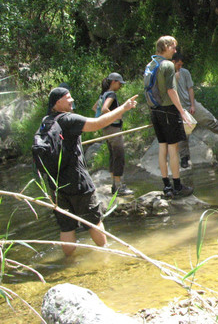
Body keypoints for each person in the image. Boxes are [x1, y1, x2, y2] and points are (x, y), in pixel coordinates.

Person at [44, 87, 138, 255]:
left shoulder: (46, 122)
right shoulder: (68, 119)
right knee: (94, 221)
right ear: (58, 102)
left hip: (55, 184)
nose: (72, 100)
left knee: (66, 227)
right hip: (77, 182)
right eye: (68, 97)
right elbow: (98, 123)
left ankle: (68, 262)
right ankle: (106, 256)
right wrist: (123, 108)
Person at [172, 52, 218, 168]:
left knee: (209, 118)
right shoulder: (167, 75)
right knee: (182, 134)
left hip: (190, 104)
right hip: (177, 108)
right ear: (173, 62)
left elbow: (190, 89)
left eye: (181, 65)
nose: (180, 67)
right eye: (178, 64)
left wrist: (193, 105)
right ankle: (184, 158)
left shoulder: (185, 73)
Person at [146, 36, 194, 197]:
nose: (175, 50)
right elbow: (171, 91)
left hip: (155, 111)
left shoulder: (151, 64)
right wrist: (182, 111)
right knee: (173, 148)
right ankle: (178, 186)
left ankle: (166, 186)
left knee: (162, 147)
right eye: (173, 47)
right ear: (166, 47)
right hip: (168, 111)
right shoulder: (167, 65)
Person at [92, 72, 134, 196]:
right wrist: (116, 116)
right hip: (113, 129)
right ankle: (119, 186)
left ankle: (114, 185)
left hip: (105, 129)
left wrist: (105, 118)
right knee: (119, 155)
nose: (120, 86)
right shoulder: (111, 94)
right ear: (113, 82)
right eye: (119, 83)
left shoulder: (103, 94)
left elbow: (95, 108)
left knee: (112, 156)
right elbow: (105, 109)